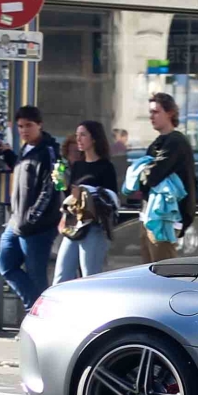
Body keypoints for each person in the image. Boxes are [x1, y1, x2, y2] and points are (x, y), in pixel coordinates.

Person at [0, 106, 59, 307]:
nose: (24, 130)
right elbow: (25, 172)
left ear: (39, 125)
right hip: (16, 222)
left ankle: (42, 317)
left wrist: (33, 217)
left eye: (29, 126)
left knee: (36, 275)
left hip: (37, 227)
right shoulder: (26, 149)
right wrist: (9, 156)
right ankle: (34, 308)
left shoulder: (48, 151)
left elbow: (50, 187)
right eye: (20, 126)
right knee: (5, 265)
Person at [126, 93, 197, 262]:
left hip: (165, 218)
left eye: (156, 112)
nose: (151, 117)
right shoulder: (158, 142)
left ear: (170, 113)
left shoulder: (176, 141)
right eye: (150, 112)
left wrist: (141, 172)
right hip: (148, 215)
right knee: (148, 275)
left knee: (163, 274)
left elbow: (152, 176)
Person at [53, 119, 121, 284]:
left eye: (83, 135)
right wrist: (63, 186)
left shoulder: (106, 167)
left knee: (89, 278)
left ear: (94, 138)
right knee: (61, 277)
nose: (79, 139)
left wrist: (89, 193)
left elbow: (112, 200)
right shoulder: (78, 166)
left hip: (94, 228)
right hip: (74, 226)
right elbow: (72, 198)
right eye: (77, 135)